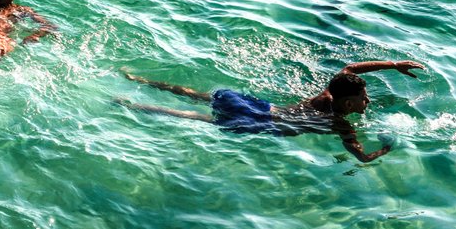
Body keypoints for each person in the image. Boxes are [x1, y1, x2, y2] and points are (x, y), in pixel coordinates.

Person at [116, 60, 425, 162]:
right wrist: (386, 148)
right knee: (201, 118)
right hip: (265, 124)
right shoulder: (341, 124)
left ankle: (138, 80)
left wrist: (393, 64)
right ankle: (132, 106)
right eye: (363, 98)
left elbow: (351, 69)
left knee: (198, 97)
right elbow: (361, 156)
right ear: (347, 105)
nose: (367, 101)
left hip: (261, 107)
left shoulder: (326, 94)